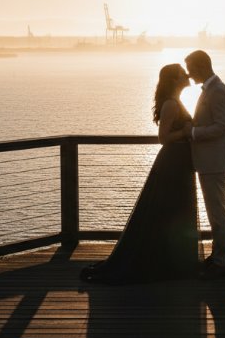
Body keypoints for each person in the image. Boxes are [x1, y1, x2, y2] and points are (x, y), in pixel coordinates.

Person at [79, 64, 201, 284]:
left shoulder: (176, 102)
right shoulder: (171, 104)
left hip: (179, 161)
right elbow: (163, 137)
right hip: (173, 161)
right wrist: (185, 131)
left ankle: (170, 261)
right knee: (169, 210)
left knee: (174, 210)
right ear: (174, 79)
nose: (187, 74)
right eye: (183, 72)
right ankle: (166, 263)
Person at [184, 50, 225, 280]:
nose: (189, 74)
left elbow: (222, 127)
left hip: (215, 162)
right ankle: (217, 257)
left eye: (191, 68)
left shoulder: (219, 91)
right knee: (215, 212)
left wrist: (193, 132)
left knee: (218, 213)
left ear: (202, 67)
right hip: (210, 161)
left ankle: (222, 262)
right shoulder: (211, 89)